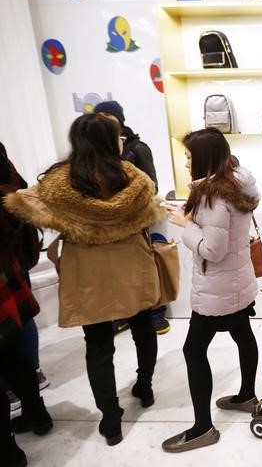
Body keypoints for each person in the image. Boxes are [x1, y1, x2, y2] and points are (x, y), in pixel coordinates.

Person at [4, 114, 163, 446]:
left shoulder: (58, 183)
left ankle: (111, 419)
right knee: (142, 326)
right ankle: (145, 388)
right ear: (112, 139)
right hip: (130, 260)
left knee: (98, 343)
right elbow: (151, 208)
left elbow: (26, 205)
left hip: (85, 268)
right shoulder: (132, 178)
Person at [161, 128, 260, 453]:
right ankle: (247, 395)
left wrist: (185, 225)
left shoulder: (213, 196)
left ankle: (203, 428)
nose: (186, 162)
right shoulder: (237, 183)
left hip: (217, 289)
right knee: (242, 333)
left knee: (192, 350)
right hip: (237, 282)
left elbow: (213, 249)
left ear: (204, 158)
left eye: (190, 156)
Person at [93, 100, 171, 336]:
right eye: (100, 114)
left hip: (136, 220)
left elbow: (152, 185)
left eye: (109, 114)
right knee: (114, 272)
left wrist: (125, 200)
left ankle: (156, 313)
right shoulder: (93, 153)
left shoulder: (137, 148)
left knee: (145, 267)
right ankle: (122, 313)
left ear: (120, 118)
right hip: (106, 224)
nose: (104, 118)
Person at [1, 145, 53, 466]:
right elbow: (25, 205)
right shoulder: (8, 173)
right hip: (9, 268)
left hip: (8, 270)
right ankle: (36, 410)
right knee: (13, 350)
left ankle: (9, 450)